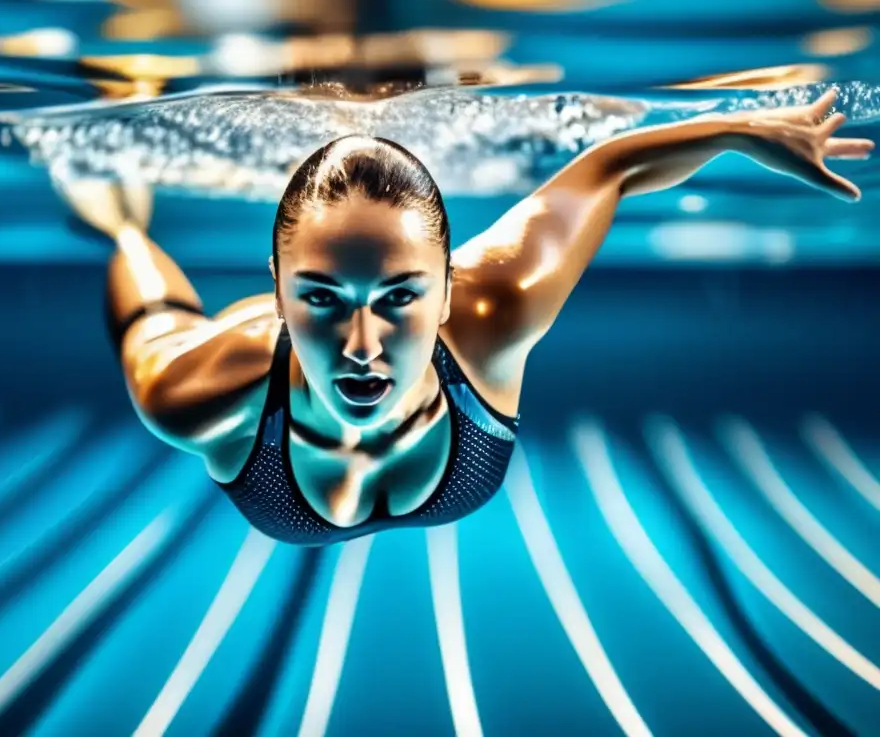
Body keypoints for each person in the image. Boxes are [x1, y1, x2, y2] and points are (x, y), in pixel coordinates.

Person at [60, 88, 871, 546]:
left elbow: (608, 169)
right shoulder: (199, 393)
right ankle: (121, 216)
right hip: (246, 355)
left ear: (448, 291)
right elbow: (153, 327)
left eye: (401, 299)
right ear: (276, 291)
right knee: (136, 263)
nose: (362, 348)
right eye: (320, 300)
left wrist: (739, 129)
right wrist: (126, 235)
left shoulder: (495, 311)